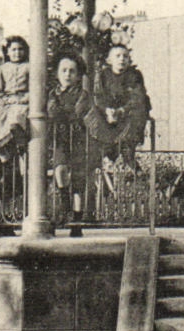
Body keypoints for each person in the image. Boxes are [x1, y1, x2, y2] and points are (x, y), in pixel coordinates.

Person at [47, 52, 95, 223]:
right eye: (64, 70)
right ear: (57, 74)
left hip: (78, 137)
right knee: (59, 169)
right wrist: (61, 113)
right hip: (60, 138)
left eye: (72, 71)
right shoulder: (53, 94)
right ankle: (64, 200)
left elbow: (78, 112)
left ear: (78, 75)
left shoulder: (82, 94)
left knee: (77, 178)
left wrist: (63, 113)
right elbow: (52, 111)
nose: (67, 74)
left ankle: (77, 218)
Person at [92, 43, 150, 164]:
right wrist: (107, 110)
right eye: (117, 56)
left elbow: (138, 98)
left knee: (139, 111)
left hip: (128, 115)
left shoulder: (134, 75)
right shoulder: (103, 75)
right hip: (108, 116)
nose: (122, 59)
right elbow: (98, 96)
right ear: (109, 60)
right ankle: (107, 157)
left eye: (125, 56)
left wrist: (121, 111)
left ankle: (128, 153)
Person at [0, 36, 31, 154]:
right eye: (14, 49)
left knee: (16, 117)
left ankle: (20, 143)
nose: (17, 52)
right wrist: (2, 101)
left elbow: (34, 89)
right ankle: (4, 152)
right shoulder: (2, 68)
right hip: (7, 102)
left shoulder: (29, 66)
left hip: (23, 102)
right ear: (8, 52)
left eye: (20, 49)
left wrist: (24, 99)